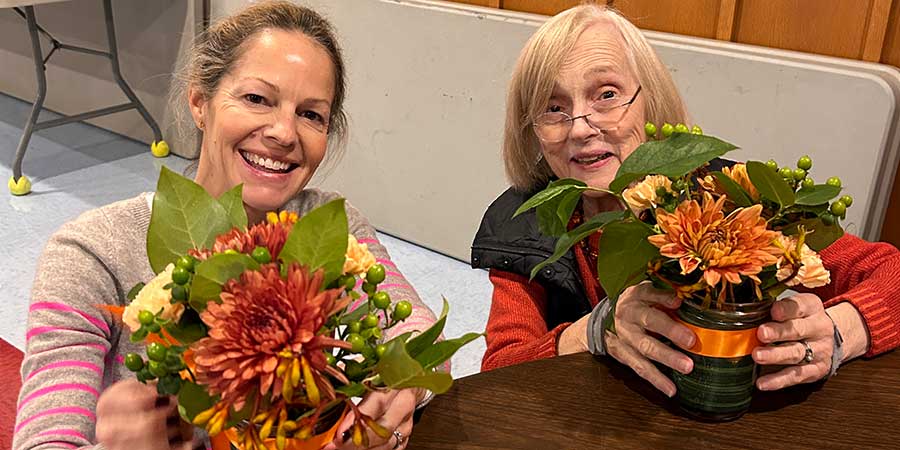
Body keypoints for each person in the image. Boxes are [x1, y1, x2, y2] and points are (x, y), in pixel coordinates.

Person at [14, 2, 434, 449]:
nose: (284, 133)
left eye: (312, 115)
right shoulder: (92, 253)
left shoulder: (331, 227)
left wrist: (402, 384)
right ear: (200, 102)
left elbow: (419, 336)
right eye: (257, 99)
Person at [472, 3, 900, 398]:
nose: (581, 128)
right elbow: (500, 370)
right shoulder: (522, 220)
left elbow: (891, 275)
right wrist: (597, 329)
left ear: (649, 101)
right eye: (553, 107)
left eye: (606, 95)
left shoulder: (732, 195)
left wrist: (838, 332)